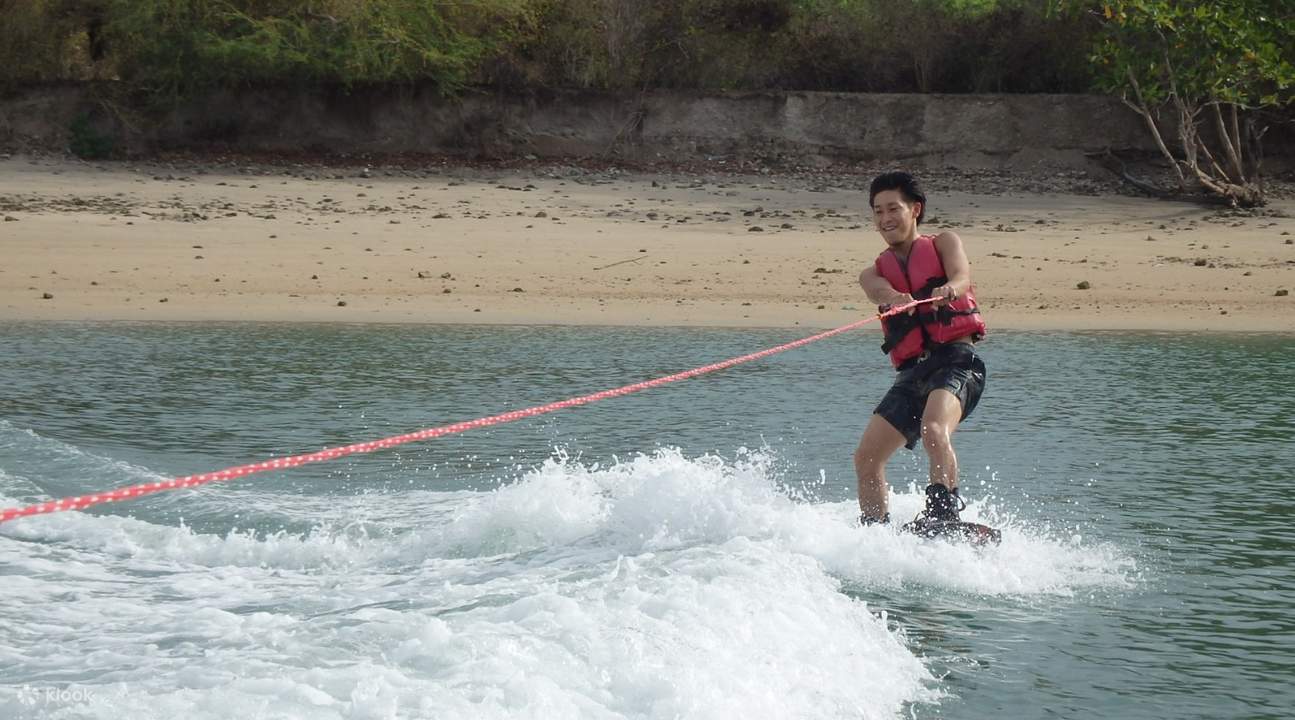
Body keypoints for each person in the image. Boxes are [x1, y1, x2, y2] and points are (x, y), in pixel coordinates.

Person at [854, 171, 987, 530]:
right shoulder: (871, 273)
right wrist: (896, 298)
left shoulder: (944, 243)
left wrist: (949, 289)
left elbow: (961, 276)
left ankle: (943, 514)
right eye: (878, 211)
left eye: (893, 209)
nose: (885, 219)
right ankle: (874, 532)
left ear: (915, 209)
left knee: (933, 429)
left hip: (958, 363)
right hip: (912, 372)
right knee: (867, 457)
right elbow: (878, 290)